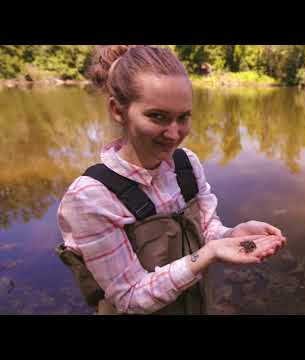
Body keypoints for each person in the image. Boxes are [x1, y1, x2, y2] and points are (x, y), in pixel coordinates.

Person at [56, 45, 286, 315]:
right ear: (118, 111)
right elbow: (129, 298)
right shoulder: (90, 198)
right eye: (157, 116)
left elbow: (205, 229)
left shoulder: (186, 164)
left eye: (183, 117)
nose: (174, 134)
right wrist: (207, 255)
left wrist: (230, 235)